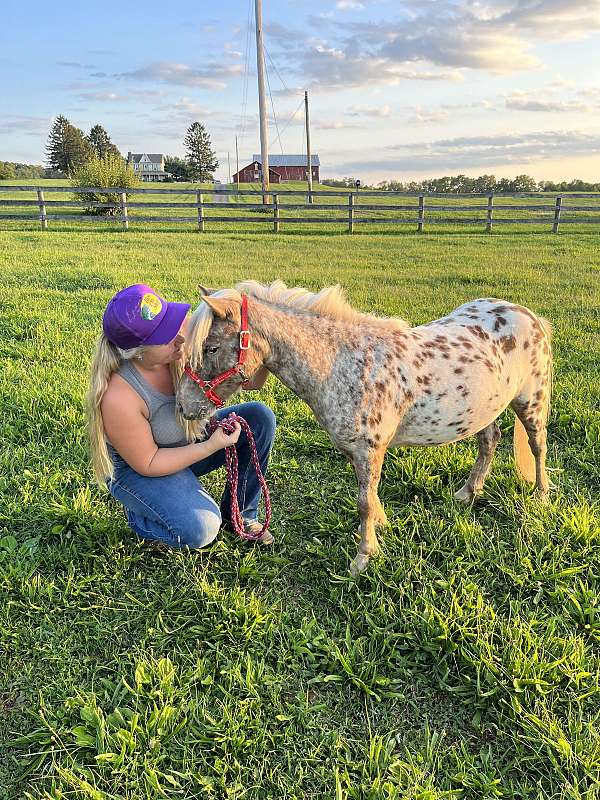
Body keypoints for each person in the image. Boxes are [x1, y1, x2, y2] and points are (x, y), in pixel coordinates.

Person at [85, 283, 276, 549]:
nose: (179, 337)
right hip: (143, 471)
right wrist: (212, 445)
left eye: (171, 323)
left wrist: (264, 350)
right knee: (201, 530)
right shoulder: (119, 397)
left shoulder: (179, 343)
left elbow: (250, 381)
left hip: (187, 440)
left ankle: (241, 516)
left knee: (258, 418)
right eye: (165, 335)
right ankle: (143, 515)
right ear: (137, 352)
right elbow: (149, 462)